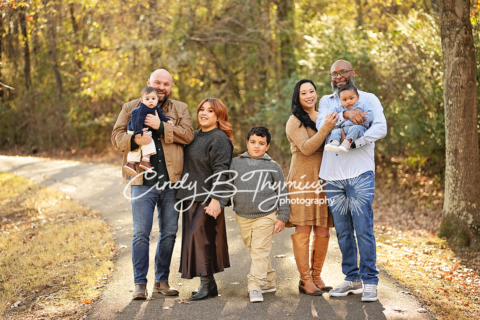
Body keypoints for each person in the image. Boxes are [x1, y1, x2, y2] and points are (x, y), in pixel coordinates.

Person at [111, 69, 194, 300]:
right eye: (157, 82)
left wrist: (161, 126)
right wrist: (133, 139)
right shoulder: (130, 108)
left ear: (170, 87)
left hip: (171, 181)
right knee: (140, 234)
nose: (161, 88)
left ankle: (161, 281)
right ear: (148, 83)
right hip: (140, 180)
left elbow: (188, 135)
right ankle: (139, 284)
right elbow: (116, 137)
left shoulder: (180, 108)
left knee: (169, 232)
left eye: (166, 84)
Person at [316, 60, 387, 302]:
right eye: (333, 74)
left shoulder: (369, 98)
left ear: (352, 73)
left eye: (342, 72)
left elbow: (380, 128)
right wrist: (346, 114)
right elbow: (320, 125)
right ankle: (352, 277)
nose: (338, 77)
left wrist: (356, 142)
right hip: (333, 176)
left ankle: (369, 281)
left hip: (360, 173)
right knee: (344, 231)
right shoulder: (327, 101)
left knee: (363, 228)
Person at [220, 126, 290, 303]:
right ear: (247, 143)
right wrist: (217, 204)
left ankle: (255, 286)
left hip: (266, 214)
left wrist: (282, 215)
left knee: (260, 251)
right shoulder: (236, 163)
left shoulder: (273, 166)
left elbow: (282, 192)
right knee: (255, 250)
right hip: (243, 215)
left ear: (267, 146)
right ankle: (269, 280)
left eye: (261, 143)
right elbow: (228, 187)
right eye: (253, 142)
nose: (256, 146)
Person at [176, 97, 234, 301]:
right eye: (202, 109)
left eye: (210, 111)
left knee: (201, 239)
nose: (204, 113)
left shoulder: (219, 138)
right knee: (197, 240)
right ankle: (208, 284)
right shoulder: (194, 135)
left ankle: (207, 284)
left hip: (208, 198)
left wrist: (217, 199)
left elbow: (222, 171)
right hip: (190, 196)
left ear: (218, 116)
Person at [285, 79, 338, 296]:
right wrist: (326, 128)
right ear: (298, 97)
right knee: (304, 227)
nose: (309, 95)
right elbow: (307, 148)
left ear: (317, 94)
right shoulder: (294, 120)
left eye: (312, 91)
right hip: (303, 179)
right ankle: (304, 280)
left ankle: (316, 276)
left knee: (323, 228)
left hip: (325, 177)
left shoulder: (325, 115)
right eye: (303, 92)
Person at [124, 86, 174, 174]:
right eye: (147, 99)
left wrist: (167, 120)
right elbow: (138, 120)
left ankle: (131, 163)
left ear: (157, 99)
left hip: (141, 129)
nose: (150, 101)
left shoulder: (156, 108)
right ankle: (144, 161)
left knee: (144, 143)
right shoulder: (143, 108)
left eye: (153, 98)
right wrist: (138, 132)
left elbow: (161, 116)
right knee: (147, 142)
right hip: (134, 128)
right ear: (142, 100)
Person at [324, 83, 373, 153]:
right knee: (335, 131)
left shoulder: (363, 106)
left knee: (355, 128)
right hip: (343, 129)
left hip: (359, 128)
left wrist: (361, 116)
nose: (348, 101)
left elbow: (370, 115)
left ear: (358, 97)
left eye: (351, 98)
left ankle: (347, 143)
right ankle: (334, 143)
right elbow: (331, 115)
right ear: (340, 100)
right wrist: (339, 114)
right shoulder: (340, 108)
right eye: (344, 100)